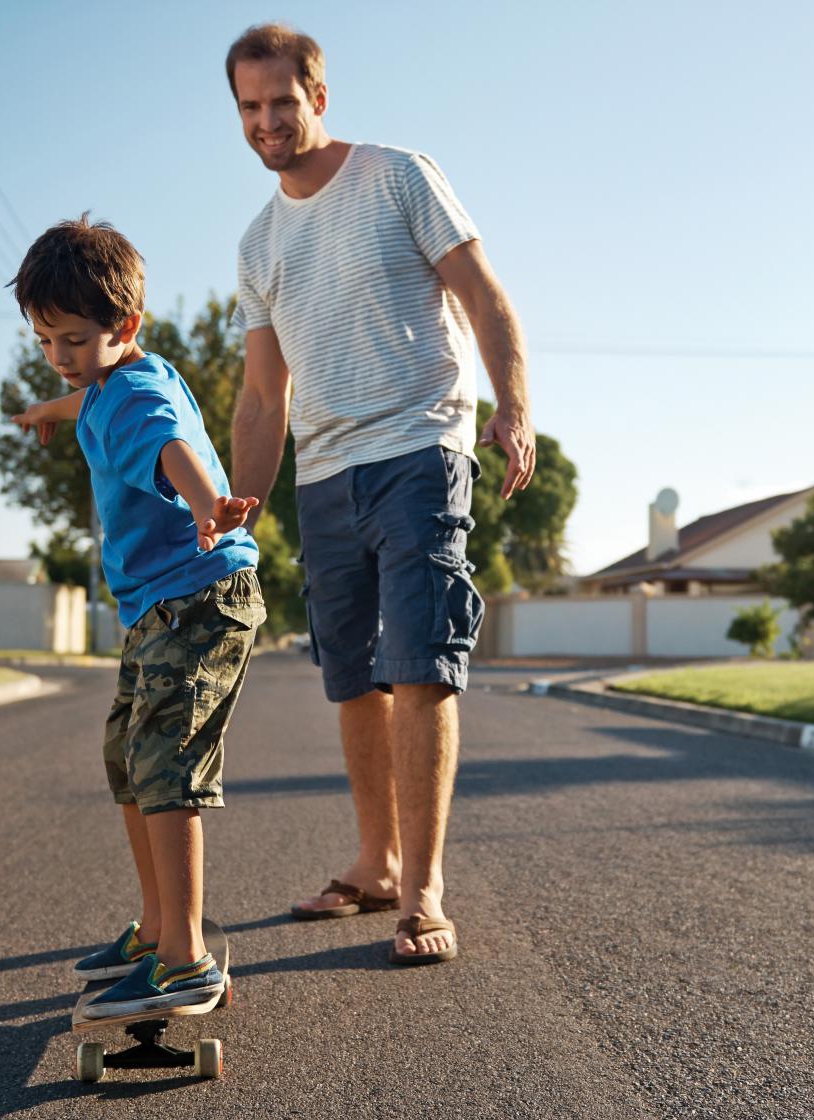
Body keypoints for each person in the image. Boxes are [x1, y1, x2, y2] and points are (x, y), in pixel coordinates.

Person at [224, 24, 536, 966]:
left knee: (420, 663)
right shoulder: (258, 243)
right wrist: (236, 512)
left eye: (283, 101)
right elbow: (262, 395)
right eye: (249, 106)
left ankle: (423, 890)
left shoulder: (398, 175)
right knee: (353, 676)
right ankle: (376, 862)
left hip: (418, 451)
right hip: (323, 476)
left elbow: (483, 294)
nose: (267, 121)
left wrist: (514, 407)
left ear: (317, 96)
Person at [8, 215, 266, 1017]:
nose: (60, 356)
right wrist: (49, 409)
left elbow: (168, 445)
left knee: (165, 764)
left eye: (74, 341)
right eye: (45, 341)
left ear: (126, 327)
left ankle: (185, 960)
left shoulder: (135, 397)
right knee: (126, 756)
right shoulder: (109, 379)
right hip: (162, 604)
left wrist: (208, 505)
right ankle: (156, 928)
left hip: (198, 596)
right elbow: (86, 395)